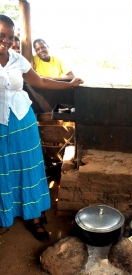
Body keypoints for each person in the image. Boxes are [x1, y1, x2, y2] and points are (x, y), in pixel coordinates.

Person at [0, 14, 84, 242]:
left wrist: (70, 82)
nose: (6, 40)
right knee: (4, 168)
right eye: (1, 35)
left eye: (10, 36)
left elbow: (42, 82)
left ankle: (34, 217)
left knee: (28, 167)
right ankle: (7, 211)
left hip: (22, 121)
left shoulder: (18, 60)